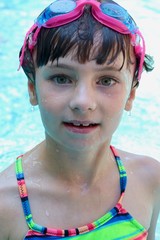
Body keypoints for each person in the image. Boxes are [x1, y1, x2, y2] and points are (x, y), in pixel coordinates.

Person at [0, 0, 160, 239]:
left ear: (131, 95)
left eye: (106, 81)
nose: (83, 102)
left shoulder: (150, 179)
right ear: (32, 89)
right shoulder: (6, 206)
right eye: (62, 78)